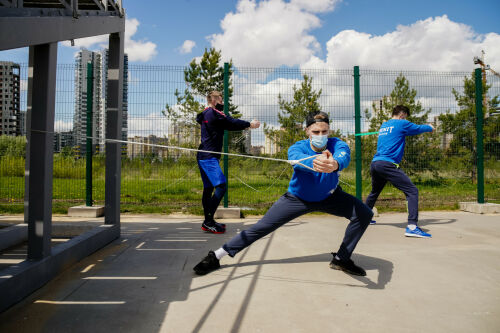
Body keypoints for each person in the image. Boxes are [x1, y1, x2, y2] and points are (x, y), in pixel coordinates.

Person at [193, 111, 373, 276]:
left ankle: (342, 259)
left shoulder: (337, 144)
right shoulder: (298, 148)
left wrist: (335, 164)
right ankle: (216, 256)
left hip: (331, 196)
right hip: (297, 199)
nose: (320, 135)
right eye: (316, 132)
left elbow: (344, 156)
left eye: (324, 131)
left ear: (329, 130)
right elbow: (298, 161)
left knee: (364, 214)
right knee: (260, 227)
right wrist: (318, 164)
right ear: (307, 131)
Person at [196, 91, 260, 234]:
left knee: (208, 189)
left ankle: (209, 221)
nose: (223, 102)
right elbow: (230, 122)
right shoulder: (213, 113)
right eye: (220, 99)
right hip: (208, 157)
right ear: (213, 100)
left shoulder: (208, 113)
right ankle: (208, 221)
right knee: (221, 187)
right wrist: (250, 124)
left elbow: (226, 123)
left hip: (205, 155)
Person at [365, 105, 434, 238]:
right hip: (387, 164)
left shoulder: (384, 125)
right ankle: (412, 226)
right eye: (406, 117)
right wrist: (430, 127)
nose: (406, 119)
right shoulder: (401, 123)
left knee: (375, 192)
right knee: (412, 191)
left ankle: (363, 217)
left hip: (375, 163)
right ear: (402, 114)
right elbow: (419, 128)